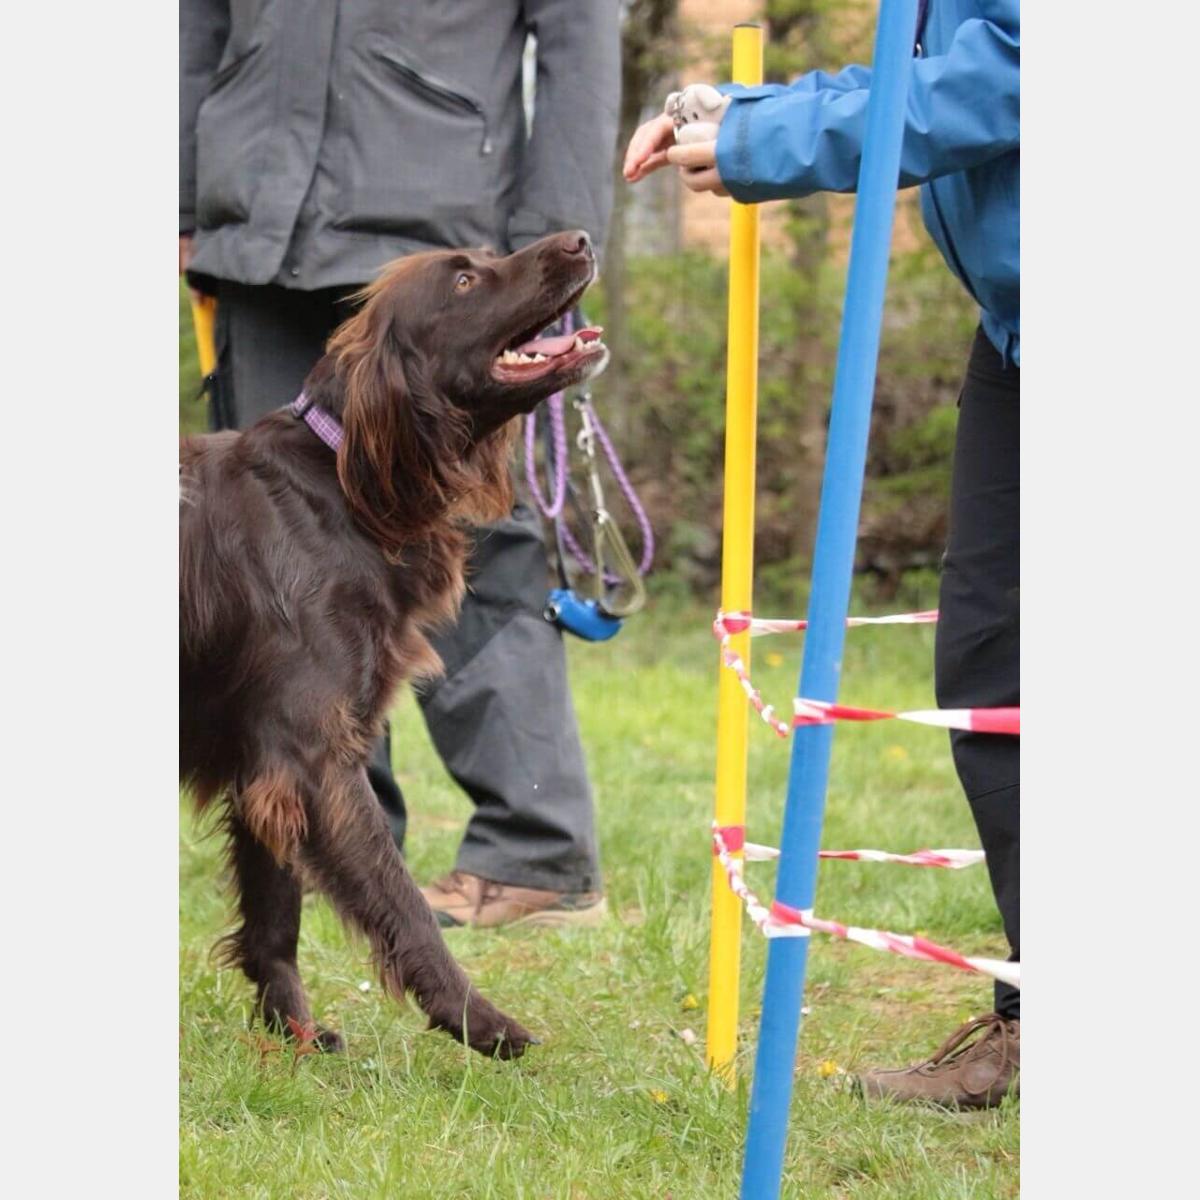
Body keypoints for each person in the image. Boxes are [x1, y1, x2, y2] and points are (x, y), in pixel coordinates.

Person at [624, 0, 1019, 1108]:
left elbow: (1005, 82)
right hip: (1018, 331)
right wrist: (747, 106)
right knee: (994, 669)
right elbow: (927, 65)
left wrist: (765, 144)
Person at [181, 0, 620, 929]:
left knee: (480, 547)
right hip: (259, 228)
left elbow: (579, 32)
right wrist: (187, 199)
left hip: (436, 234)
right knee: (278, 584)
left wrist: (556, 232)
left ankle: (534, 852)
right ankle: (341, 846)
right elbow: (198, 22)